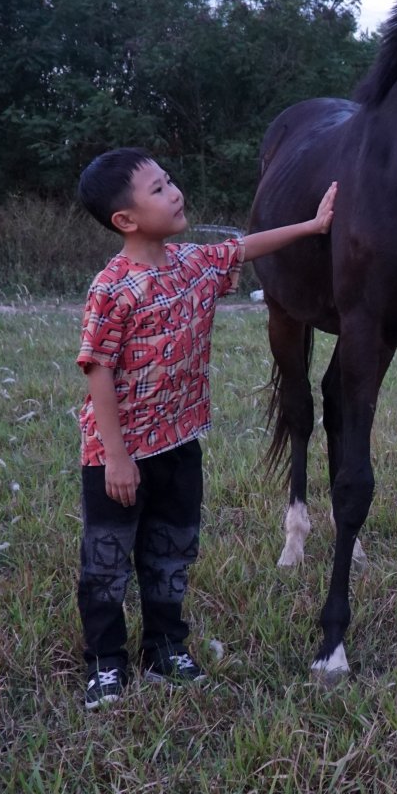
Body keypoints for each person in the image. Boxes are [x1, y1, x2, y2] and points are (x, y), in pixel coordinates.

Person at [73, 147, 336, 709]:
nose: (176, 192)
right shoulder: (113, 287)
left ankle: (166, 648)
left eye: (171, 180)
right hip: (117, 457)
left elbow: (242, 247)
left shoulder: (192, 264)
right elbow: (97, 367)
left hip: (179, 445)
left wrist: (314, 226)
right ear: (126, 220)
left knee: (172, 553)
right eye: (160, 189)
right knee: (107, 563)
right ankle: (105, 664)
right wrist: (116, 457)